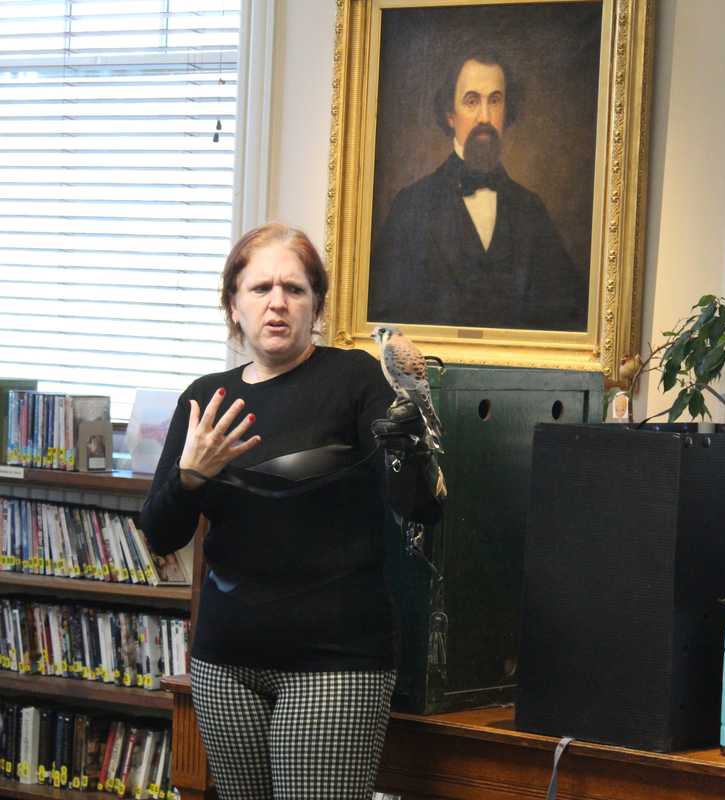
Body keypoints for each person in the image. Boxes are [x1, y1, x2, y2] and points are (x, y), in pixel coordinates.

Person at [139, 223, 439, 800]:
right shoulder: (206, 398)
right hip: (224, 663)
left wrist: (411, 449)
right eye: (260, 288)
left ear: (317, 304)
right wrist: (191, 476)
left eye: (295, 289)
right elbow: (161, 532)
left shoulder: (356, 380)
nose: (277, 302)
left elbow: (421, 509)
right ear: (234, 303)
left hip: (335, 666)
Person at [367, 48, 588, 332]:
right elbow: (384, 319)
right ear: (450, 113)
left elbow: (570, 317)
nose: (485, 116)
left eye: (495, 101)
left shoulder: (531, 210)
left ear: (507, 110)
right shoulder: (410, 207)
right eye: (471, 101)